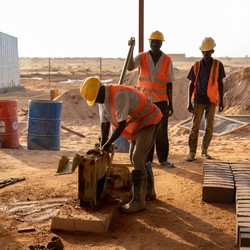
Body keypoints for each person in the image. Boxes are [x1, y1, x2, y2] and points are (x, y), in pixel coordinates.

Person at [80, 76, 163, 213]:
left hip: (149, 119)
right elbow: (104, 125)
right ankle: (149, 191)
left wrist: (107, 145)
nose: (96, 103)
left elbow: (120, 126)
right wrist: (102, 147)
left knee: (137, 158)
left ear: (100, 90)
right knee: (134, 158)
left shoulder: (119, 95)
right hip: (138, 125)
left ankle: (138, 201)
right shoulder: (101, 101)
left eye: (96, 99)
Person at [127, 30, 175, 168]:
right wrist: (131, 49)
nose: (155, 44)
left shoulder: (167, 60)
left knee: (161, 132)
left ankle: (163, 159)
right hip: (145, 101)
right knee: (146, 131)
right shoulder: (141, 57)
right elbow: (130, 66)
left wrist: (171, 104)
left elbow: (169, 83)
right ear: (149, 42)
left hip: (161, 101)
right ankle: (147, 159)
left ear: (161, 43)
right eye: (153, 41)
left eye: (157, 42)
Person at [186, 37, 226, 162]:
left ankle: (204, 150)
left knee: (209, 127)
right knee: (195, 127)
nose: (206, 54)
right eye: (204, 52)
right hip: (198, 99)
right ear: (201, 52)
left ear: (212, 51)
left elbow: (220, 83)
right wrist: (189, 102)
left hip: (212, 100)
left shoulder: (218, 65)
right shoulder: (196, 65)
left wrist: (221, 101)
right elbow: (191, 84)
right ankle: (192, 152)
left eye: (208, 52)